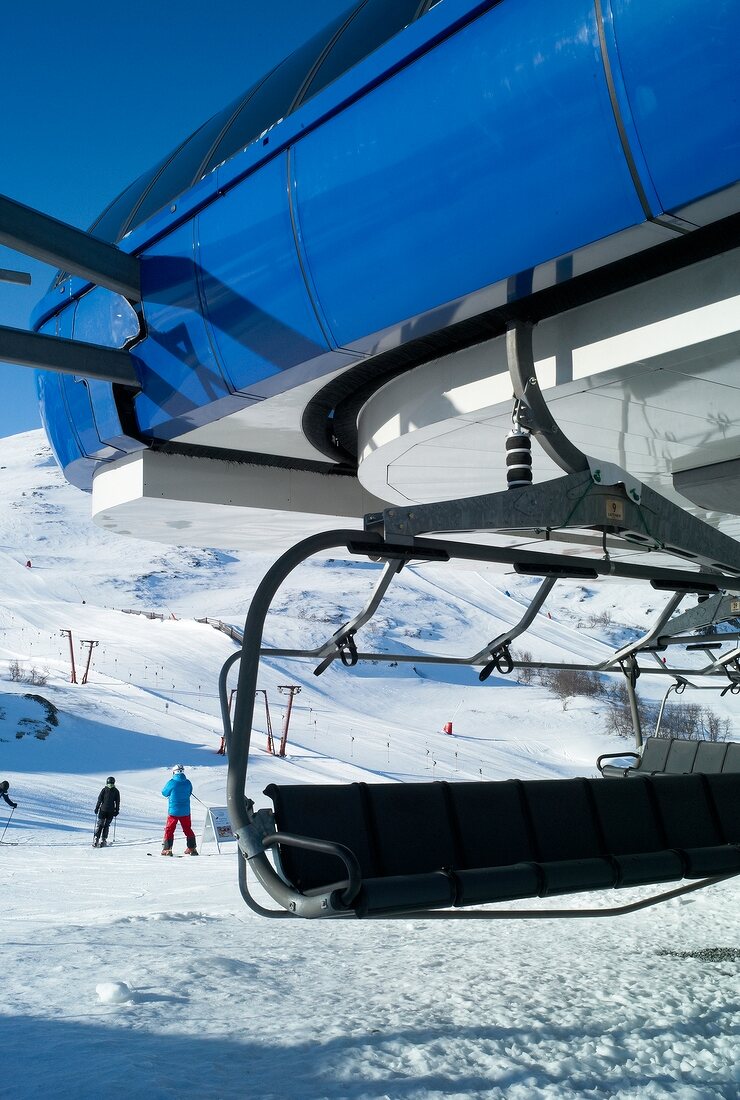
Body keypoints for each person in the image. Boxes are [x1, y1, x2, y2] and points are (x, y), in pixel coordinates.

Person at [161, 765, 198, 855]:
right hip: (185, 811)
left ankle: (167, 849)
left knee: (169, 829)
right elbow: (189, 792)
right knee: (187, 829)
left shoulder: (172, 782)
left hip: (173, 811)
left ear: (174, 772)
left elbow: (164, 793)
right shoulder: (188, 782)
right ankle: (192, 848)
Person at [93, 777, 120, 848]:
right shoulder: (116, 791)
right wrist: (116, 811)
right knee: (106, 825)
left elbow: (99, 800)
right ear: (114, 782)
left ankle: (96, 839)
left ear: (107, 782)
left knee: (100, 824)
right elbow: (117, 802)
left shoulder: (104, 790)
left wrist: (97, 808)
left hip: (103, 810)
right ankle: (103, 840)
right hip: (110, 811)